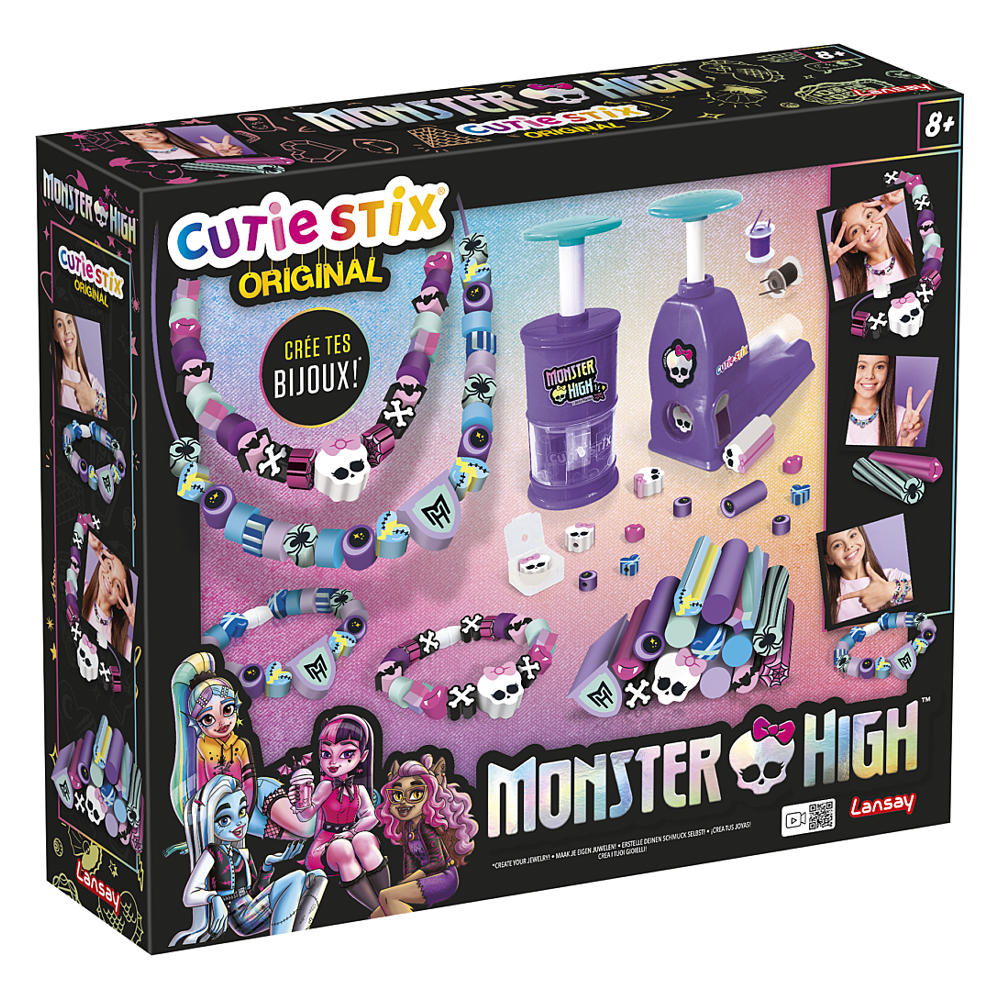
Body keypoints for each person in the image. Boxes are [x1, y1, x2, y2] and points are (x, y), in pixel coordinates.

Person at [170, 774, 326, 946]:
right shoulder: (212, 853)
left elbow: (255, 892)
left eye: (242, 812)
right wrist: (215, 899)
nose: (239, 823)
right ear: (209, 822)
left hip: (252, 908)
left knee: (317, 877)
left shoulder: (243, 854)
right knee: (297, 876)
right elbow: (189, 896)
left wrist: (268, 865)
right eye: (224, 820)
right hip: (240, 918)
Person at [290, 713, 389, 913]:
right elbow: (306, 815)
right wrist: (300, 802)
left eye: (346, 754)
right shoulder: (326, 786)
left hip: (350, 838)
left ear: (363, 756)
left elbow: (371, 817)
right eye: (326, 754)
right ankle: (378, 911)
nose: (333, 762)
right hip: (325, 846)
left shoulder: (360, 790)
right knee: (342, 847)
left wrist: (351, 832)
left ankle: (389, 900)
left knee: (365, 839)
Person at [371, 755, 477, 917]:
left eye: (415, 794)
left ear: (430, 795)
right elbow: (409, 858)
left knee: (386, 896)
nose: (403, 802)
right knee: (376, 915)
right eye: (397, 795)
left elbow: (438, 862)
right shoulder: (407, 826)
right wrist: (406, 883)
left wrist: (407, 882)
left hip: (444, 878)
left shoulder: (426, 826)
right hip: (426, 878)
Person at [828, 189, 914, 300]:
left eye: (868, 215)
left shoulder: (914, 246)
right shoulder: (842, 287)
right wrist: (825, 265)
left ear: (881, 211)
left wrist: (906, 192)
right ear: (852, 248)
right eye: (855, 230)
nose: (867, 227)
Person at [824, 525, 913, 624]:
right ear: (828, 559)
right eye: (837, 545)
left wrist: (890, 590)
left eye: (852, 535)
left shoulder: (890, 577)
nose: (848, 546)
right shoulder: (827, 598)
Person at [846, 355, 931, 447]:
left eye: (879, 367)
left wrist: (907, 442)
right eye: (862, 367)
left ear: (889, 371)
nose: (870, 375)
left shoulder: (903, 418)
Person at [80, 534, 134, 660]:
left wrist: (137, 625)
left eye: (117, 585)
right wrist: (87, 537)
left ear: (120, 604)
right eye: (109, 566)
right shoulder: (80, 588)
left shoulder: (125, 645)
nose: (110, 580)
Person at [52, 310, 107, 418]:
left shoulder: (91, 382)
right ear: (55, 335)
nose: (67, 330)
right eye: (60, 325)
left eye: (69, 321)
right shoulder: (53, 375)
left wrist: (94, 401)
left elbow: (117, 417)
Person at [119, 126, 244, 160]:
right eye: (130, 134)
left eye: (151, 132)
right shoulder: (133, 158)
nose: (144, 136)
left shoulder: (205, 147)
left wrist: (232, 155)